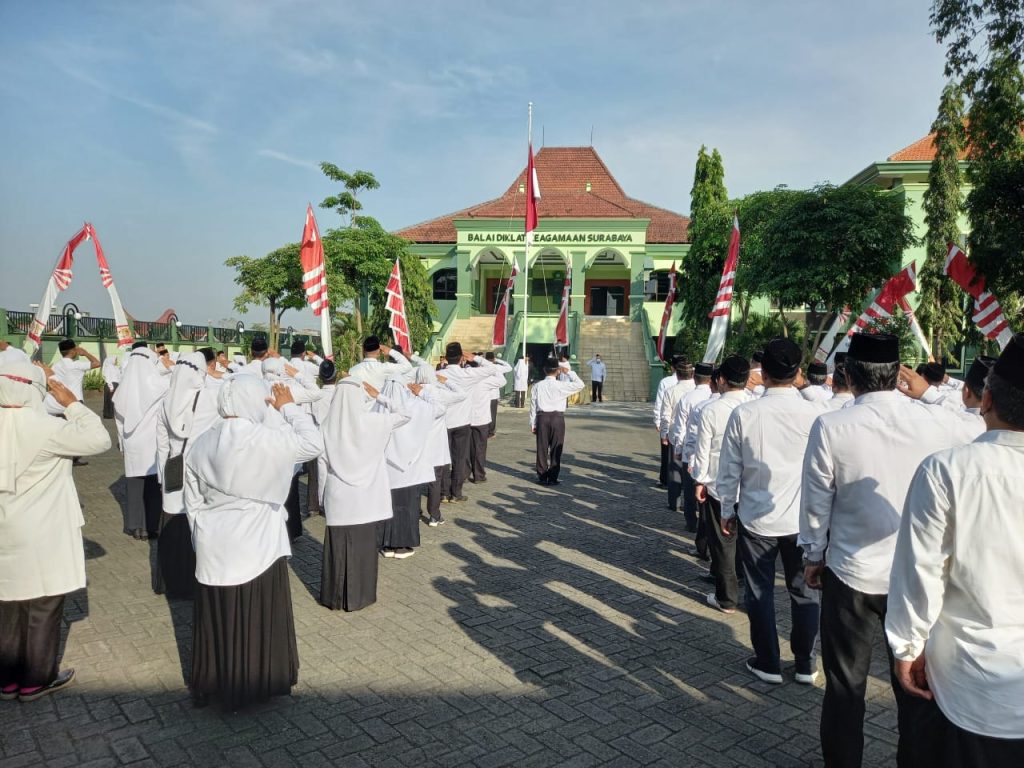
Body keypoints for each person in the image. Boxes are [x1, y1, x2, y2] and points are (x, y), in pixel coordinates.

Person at [800, 333, 983, 768]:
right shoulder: (938, 422)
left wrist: (812, 556)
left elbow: (815, 503)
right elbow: (980, 420)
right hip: (919, 581)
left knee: (845, 690)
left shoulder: (832, 426)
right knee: (915, 690)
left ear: (847, 374)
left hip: (851, 575)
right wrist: (934, 393)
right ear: (899, 373)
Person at [885, 334, 1024, 768]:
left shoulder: (946, 471)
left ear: (986, 399)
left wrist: (907, 650)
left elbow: (920, 573)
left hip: (968, 683)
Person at [185, 377, 322, 710]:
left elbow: (192, 503)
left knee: (219, 614)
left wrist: (201, 539)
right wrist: (287, 405)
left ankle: (216, 681)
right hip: (258, 545)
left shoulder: (199, 443)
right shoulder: (269, 440)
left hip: (213, 542)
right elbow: (314, 442)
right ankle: (257, 682)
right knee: (256, 613)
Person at [0, 361, 111, 702]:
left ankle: (6, 680)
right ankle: (35, 679)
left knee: (8, 603)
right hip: (45, 528)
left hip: (5, 526)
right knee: (44, 603)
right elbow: (100, 439)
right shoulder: (47, 427)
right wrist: (72, 403)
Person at [716, 338, 823, 685]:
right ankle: (806, 663)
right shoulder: (817, 414)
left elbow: (729, 469)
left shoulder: (745, 413)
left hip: (757, 517)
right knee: (805, 591)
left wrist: (727, 509)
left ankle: (768, 662)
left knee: (760, 591)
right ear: (797, 373)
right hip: (802, 520)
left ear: (763, 374)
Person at [320, 378, 408, 611]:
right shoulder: (374, 422)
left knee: (337, 549)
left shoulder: (327, 425)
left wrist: (321, 498)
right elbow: (405, 414)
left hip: (339, 499)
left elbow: (321, 465)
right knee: (364, 549)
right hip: (367, 499)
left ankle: (335, 597)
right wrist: (380, 396)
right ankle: (360, 596)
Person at [692, 356, 750, 615]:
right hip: (750, 486)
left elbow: (702, 450)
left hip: (718, 483)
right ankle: (743, 587)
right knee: (745, 540)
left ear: (722, 380)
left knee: (724, 541)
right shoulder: (754, 406)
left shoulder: (711, 409)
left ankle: (727, 598)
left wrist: (699, 480)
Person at [154, 352, 216, 599]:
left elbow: (160, 444)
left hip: (173, 470)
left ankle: (169, 583)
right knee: (196, 527)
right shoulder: (210, 398)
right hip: (200, 474)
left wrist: (163, 476)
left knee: (171, 526)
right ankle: (195, 583)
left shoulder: (165, 401)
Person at [113, 344, 170, 539]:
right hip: (152, 442)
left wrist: (122, 442)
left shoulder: (121, 391)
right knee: (153, 487)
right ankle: (152, 526)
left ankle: (135, 526)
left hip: (131, 442)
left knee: (134, 485)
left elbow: (118, 421)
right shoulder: (161, 386)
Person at [436, 343, 497, 503]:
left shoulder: (438, 374)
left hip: (443, 421)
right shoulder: (468, 374)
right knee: (459, 459)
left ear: (446, 357)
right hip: (462, 422)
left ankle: (442, 492)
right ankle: (456, 493)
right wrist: (475, 357)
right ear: (461, 357)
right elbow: (492, 369)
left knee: (443, 459)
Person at [379, 378, 433, 559]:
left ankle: (386, 544)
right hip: (410, 469)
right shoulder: (417, 407)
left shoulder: (377, 410)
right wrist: (421, 392)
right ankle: (403, 546)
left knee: (388, 506)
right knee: (407, 506)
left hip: (387, 469)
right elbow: (438, 406)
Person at [413, 364, 464, 527]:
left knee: (414, 481)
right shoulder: (439, 393)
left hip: (416, 445)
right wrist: (446, 381)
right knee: (435, 481)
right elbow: (462, 394)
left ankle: (414, 511)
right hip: (436, 446)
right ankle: (434, 515)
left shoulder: (412, 392)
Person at [669, 362, 713, 529]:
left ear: (695, 378)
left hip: (691, 451)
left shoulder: (687, 398)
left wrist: (678, 449)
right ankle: (705, 521)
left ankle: (691, 522)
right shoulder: (715, 397)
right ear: (711, 380)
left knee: (689, 490)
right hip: (710, 452)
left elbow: (680, 427)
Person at [530, 357, 584, 485]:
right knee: (556, 448)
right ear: (558, 371)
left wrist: (533, 423)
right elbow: (580, 385)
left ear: (544, 369)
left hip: (542, 417)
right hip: (558, 419)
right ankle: (553, 477)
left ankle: (542, 476)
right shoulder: (562, 385)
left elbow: (533, 406)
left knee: (541, 448)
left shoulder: (537, 386)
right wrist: (569, 372)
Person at [470, 355, 510, 482]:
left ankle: (463, 474)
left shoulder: (463, 378)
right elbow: (503, 380)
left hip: (465, 419)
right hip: (481, 419)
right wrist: (487, 362)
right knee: (480, 448)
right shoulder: (484, 380)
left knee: (465, 449)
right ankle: (478, 475)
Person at [654, 356, 690, 488]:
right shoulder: (693, 384)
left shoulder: (666, 382)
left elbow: (660, 404)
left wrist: (658, 422)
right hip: (688, 426)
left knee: (667, 455)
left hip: (671, 425)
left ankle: (665, 479)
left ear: (672, 367)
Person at [311, 359, 340, 512]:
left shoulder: (316, 395)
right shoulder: (341, 394)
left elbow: (314, 417)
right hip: (339, 437)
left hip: (321, 437)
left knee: (322, 472)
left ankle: (322, 502)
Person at [347, 335, 413, 391]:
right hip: (379, 405)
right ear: (379, 352)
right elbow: (408, 366)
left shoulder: (352, 370)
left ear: (363, 351)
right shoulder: (384, 367)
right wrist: (390, 351)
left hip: (360, 406)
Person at [483, 351, 511, 437]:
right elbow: (509, 367)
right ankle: (491, 432)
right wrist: (498, 360)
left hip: (484, 394)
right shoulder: (497, 367)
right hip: (494, 395)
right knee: (492, 414)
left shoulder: (481, 367)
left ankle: (484, 430)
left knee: (484, 413)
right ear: (493, 359)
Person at [101, 351, 121, 419]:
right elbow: (108, 377)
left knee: (114, 400)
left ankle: (112, 414)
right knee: (109, 400)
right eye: (115, 359)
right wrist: (111, 387)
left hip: (115, 385)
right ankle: (108, 415)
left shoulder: (115, 367)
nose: (116, 361)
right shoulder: (109, 367)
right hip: (111, 385)